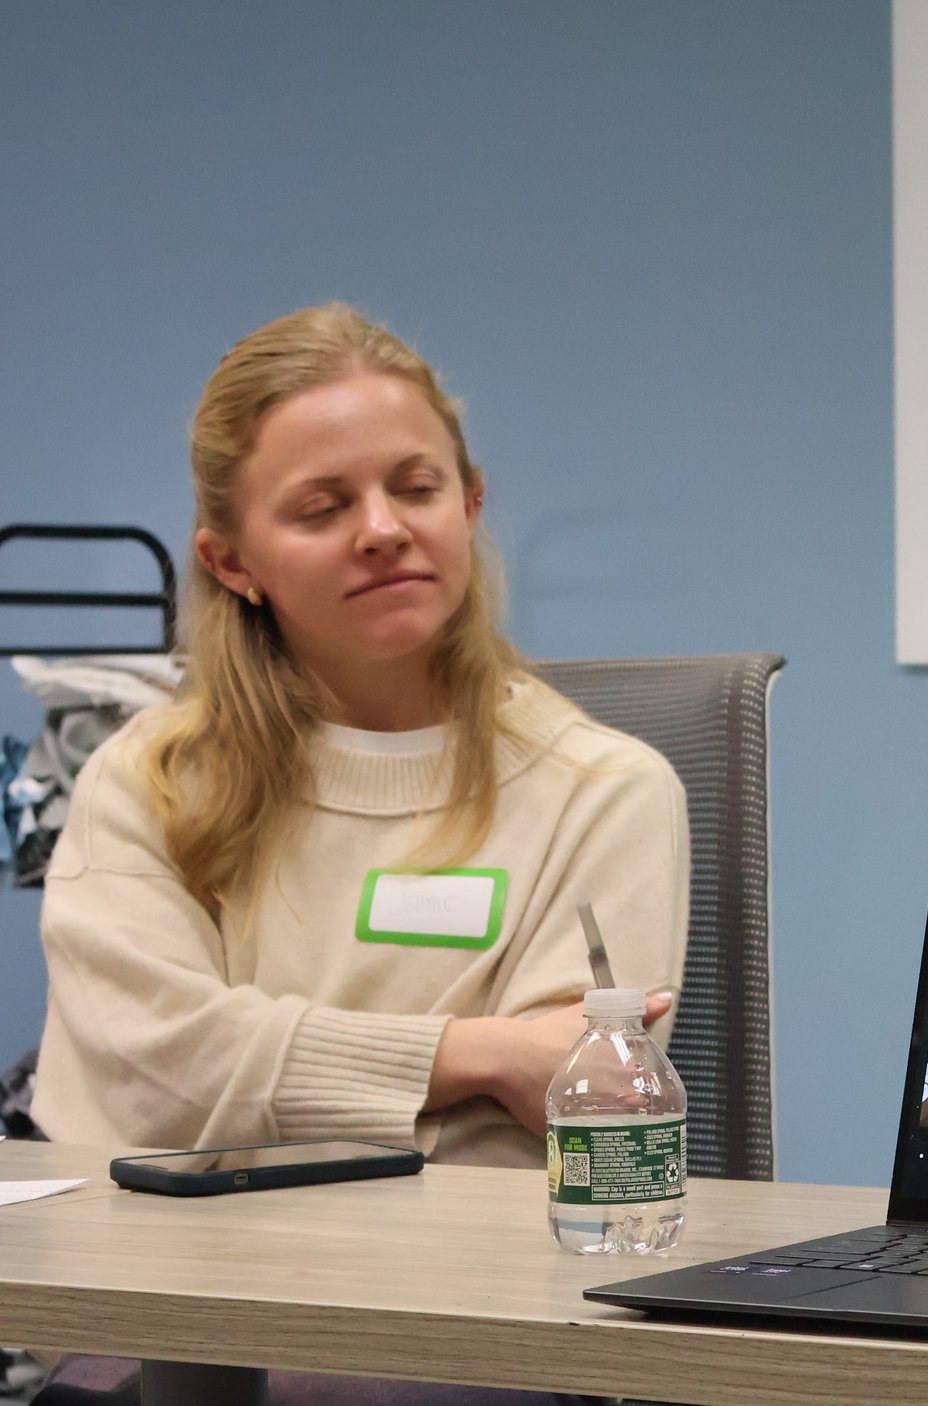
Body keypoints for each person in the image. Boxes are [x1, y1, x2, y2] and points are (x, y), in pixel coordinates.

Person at [30, 303, 688, 1174]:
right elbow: (144, 1088)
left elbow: (550, 1127)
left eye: (417, 488)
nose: (383, 530)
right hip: (172, 1290)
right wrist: (475, 1057)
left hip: (462, 1292)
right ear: (232, 563)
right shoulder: (144, 783)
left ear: (470, 504)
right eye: (321, 507)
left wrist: (249, 1101)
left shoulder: (606, 792)